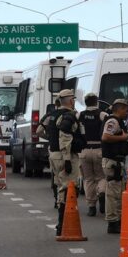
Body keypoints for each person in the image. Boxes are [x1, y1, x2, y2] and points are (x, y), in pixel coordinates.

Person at [53, 89, 82, 235]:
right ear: (70, 101)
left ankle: (62, 223)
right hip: (67, 155)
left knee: (61, 187)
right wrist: (67, 159)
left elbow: (41, 130)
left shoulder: (52, 114)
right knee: (68, 188)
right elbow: (65, 137)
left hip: (55, 155)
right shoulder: (69, 116)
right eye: (73, 99)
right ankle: (63, 224)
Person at [101, 98, 128, 234]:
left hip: (117, 162)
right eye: (125, 109)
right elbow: (106, 137)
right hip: (112, 162)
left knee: (118, 193)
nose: (127, 112)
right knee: (113, 194)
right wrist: (123, 138)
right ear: (118, 109)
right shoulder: (112, 121)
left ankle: (117, 221)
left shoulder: (119, 121)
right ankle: (112, 222)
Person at [78, 92, 108, 217]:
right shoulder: (102, 114)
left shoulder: (80, 115)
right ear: (96, 102)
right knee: (101, 176)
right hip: (99, 149)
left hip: (84, 151)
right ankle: (101, 192)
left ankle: (91, 206)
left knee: (88, 179)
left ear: (85, 103)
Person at [36, 98, 64, 206]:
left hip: (53, 148)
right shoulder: (70, 114)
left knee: (55, 174)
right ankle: (65, 199)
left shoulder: (49, 116)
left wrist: (49, 137)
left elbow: (38, 131)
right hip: (67, 148)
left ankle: (57, 199)